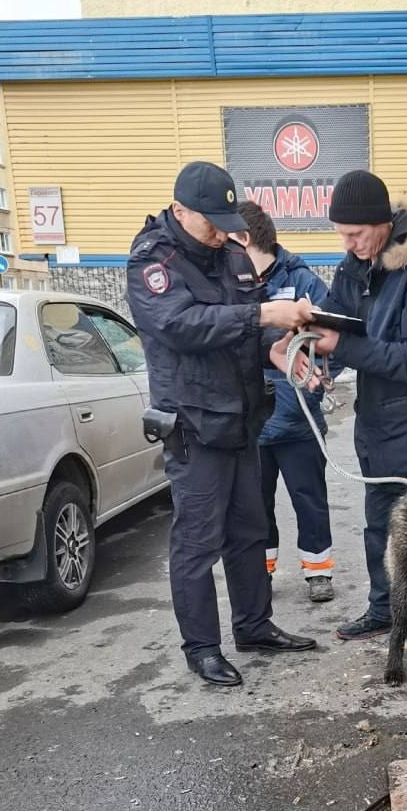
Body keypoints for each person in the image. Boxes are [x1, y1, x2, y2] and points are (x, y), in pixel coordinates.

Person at [272, 169, 407, 681]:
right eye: (342, 234)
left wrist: (344, 348)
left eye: (356, 234)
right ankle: (386, 609)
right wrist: (311, 354)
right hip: (380, 428)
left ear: (383, 223)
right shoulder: (352, 270)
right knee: (381, 530)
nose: (349, 243)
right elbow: (336, 325)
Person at [126, 161, 320, 688]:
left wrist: (278, 351)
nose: (220, 230)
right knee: (197, 541)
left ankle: (254, 626)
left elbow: (246, 332)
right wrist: (263, 318)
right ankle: (203, 648)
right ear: (179, 209)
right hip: (192, 424)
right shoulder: (153, 262)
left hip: (240, 418)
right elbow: (180, 326)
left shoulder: (233, 256)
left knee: (249, 531)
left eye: (224, 219)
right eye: (209, 219)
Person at [233, 200, 337, 604]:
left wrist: (318, 378)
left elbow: (331, 342)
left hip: (297, 421)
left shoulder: (304, 282)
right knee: (255, 506)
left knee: (309, 499)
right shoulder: (232, 283)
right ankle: (262, 570)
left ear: (245, 239)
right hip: (251, 423)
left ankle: (318, 570)